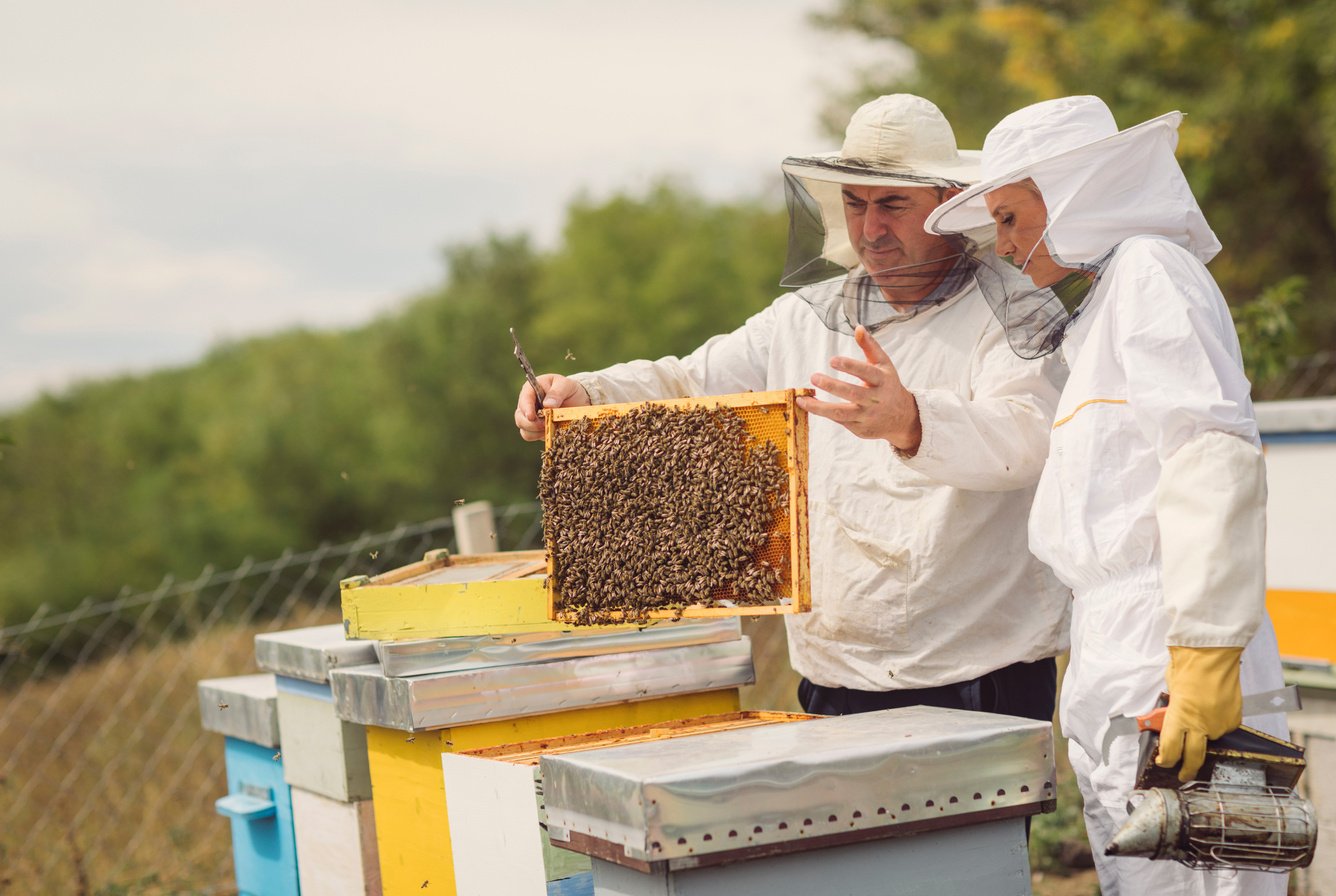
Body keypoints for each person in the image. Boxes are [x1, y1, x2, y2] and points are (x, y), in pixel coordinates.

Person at [515, 94, 1071, 725]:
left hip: (976, 673)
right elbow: (692, 380)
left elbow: (1030, 441)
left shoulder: (1015, 313)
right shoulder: (805, 317)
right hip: (832, 673)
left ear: (947, 204)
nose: (870, 228)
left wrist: (913, 421)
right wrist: (586, 393)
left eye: (892, 204)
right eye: (855, 204)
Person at [924, 95, 1290, 894]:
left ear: (1080, 192)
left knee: (1204, 881)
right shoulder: (1105, 306)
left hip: (1166, 643)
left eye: (1014, 218)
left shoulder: (1156, 274)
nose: (1008, 246)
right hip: (1114, 643)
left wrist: (1203, 650)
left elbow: (1209, 452)